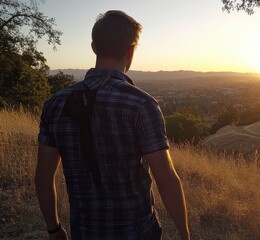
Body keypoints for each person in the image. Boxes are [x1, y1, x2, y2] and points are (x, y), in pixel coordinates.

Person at [35, 10, 189, 240]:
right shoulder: (142, 104)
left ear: (94, 47)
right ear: (131, 51)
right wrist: (184, 233)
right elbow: (166, 178)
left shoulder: (55, 104)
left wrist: (54, 229)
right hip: (138, 232)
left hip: (84, 232)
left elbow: (43, 179)